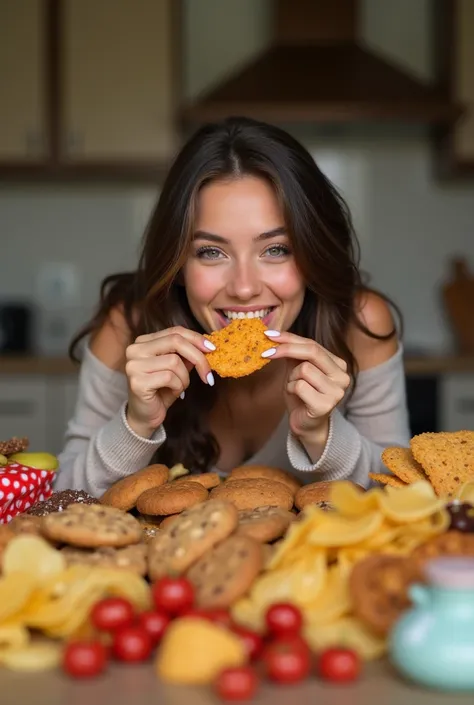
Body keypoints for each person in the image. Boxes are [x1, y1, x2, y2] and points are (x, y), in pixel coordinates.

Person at [54, 116, 411, 497]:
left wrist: (322, 433)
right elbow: (61, 497)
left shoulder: (360, 325)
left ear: (312, 253)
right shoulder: (128, 326)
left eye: (276, 250)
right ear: (178, 265)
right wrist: (136, 423)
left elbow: (403, 501)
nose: (244, 288)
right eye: (211, 252)